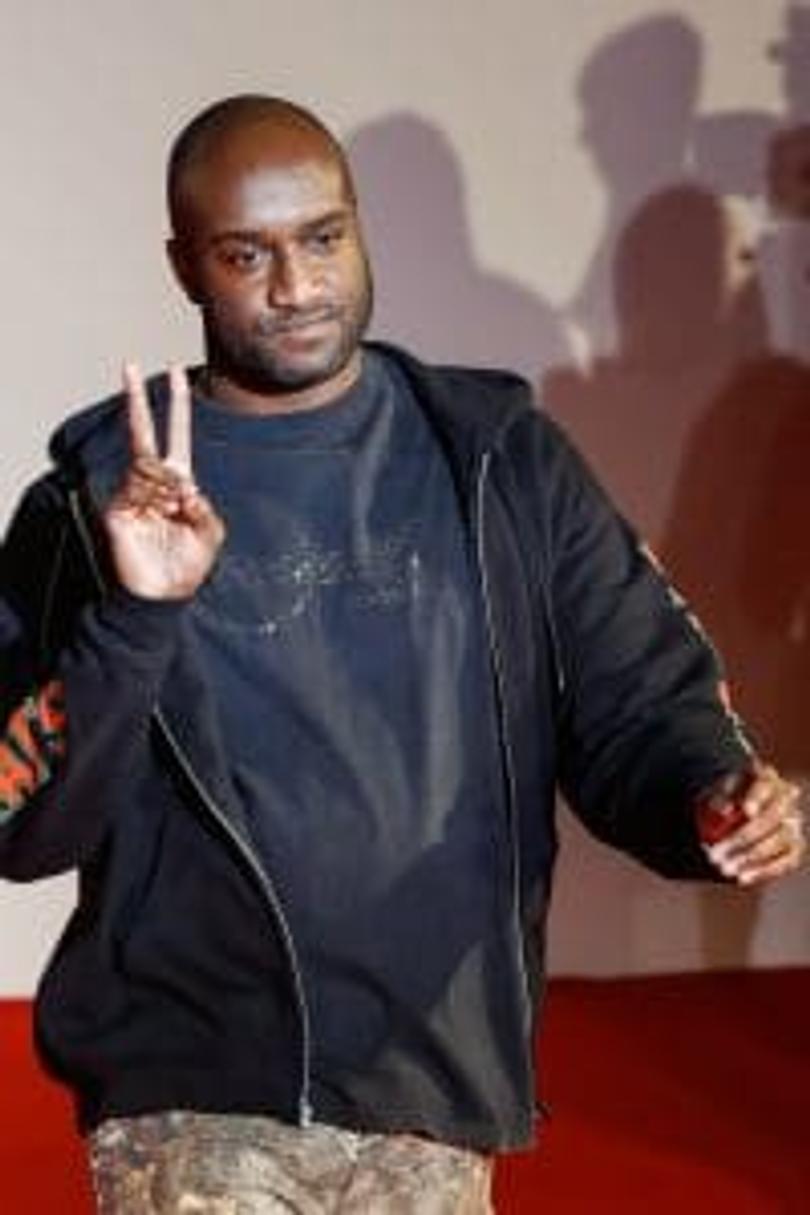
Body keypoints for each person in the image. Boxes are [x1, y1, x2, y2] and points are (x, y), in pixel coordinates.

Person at [0, 95, 804, 1215]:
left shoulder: (498, 462)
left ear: (359, 229)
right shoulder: (94, 502)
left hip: (431, 1085)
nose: (296, 285)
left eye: (322, 238)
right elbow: (23, 821)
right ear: (186, 267)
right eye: (247, 255)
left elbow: (635, 700)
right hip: (196, 1094)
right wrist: (137, 613)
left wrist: (710, 796)